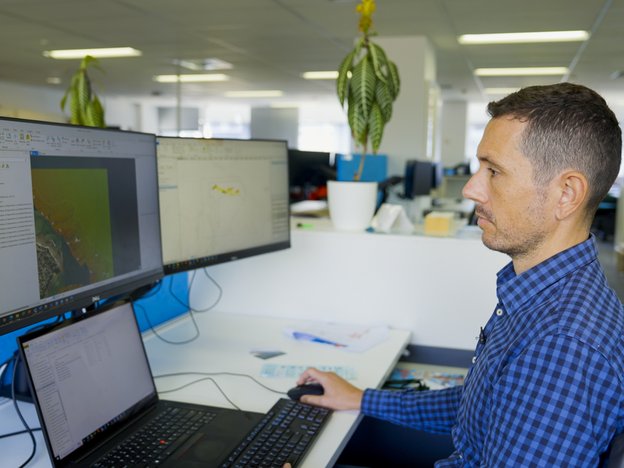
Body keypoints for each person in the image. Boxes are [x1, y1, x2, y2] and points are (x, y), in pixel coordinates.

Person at [293, 83, 624, 467]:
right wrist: (361, 398)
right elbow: (483, 405)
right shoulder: (542, 294)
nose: (470, 189)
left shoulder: (564, 343)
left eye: (494, 171)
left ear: (567, 193)